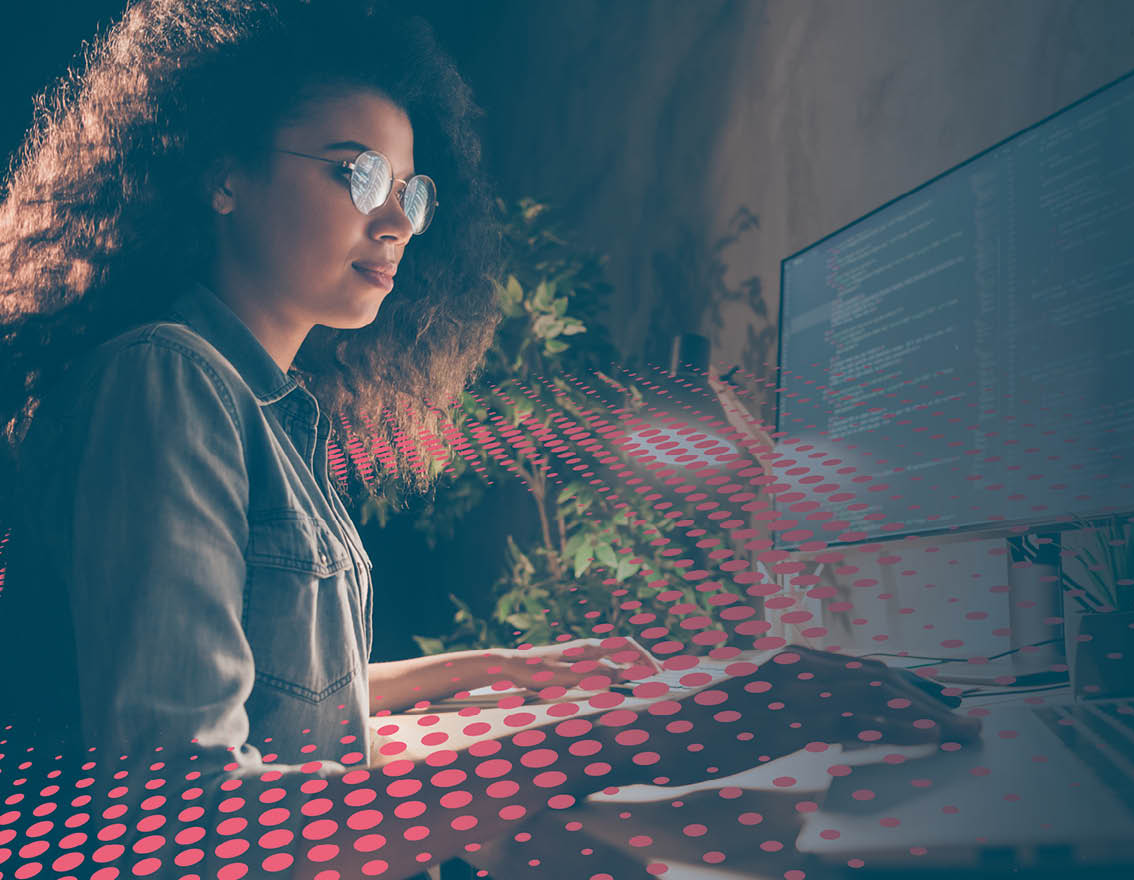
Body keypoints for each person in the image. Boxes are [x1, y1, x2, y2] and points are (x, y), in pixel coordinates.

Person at [0, 2, 982, 878]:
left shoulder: (268, 407)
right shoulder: (167, 379)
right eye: (359, 172)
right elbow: (192, 816)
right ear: (223, 173)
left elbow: (270, 697)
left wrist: (480, 671)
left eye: (412, 192)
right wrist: (711, 722)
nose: (396, 219)